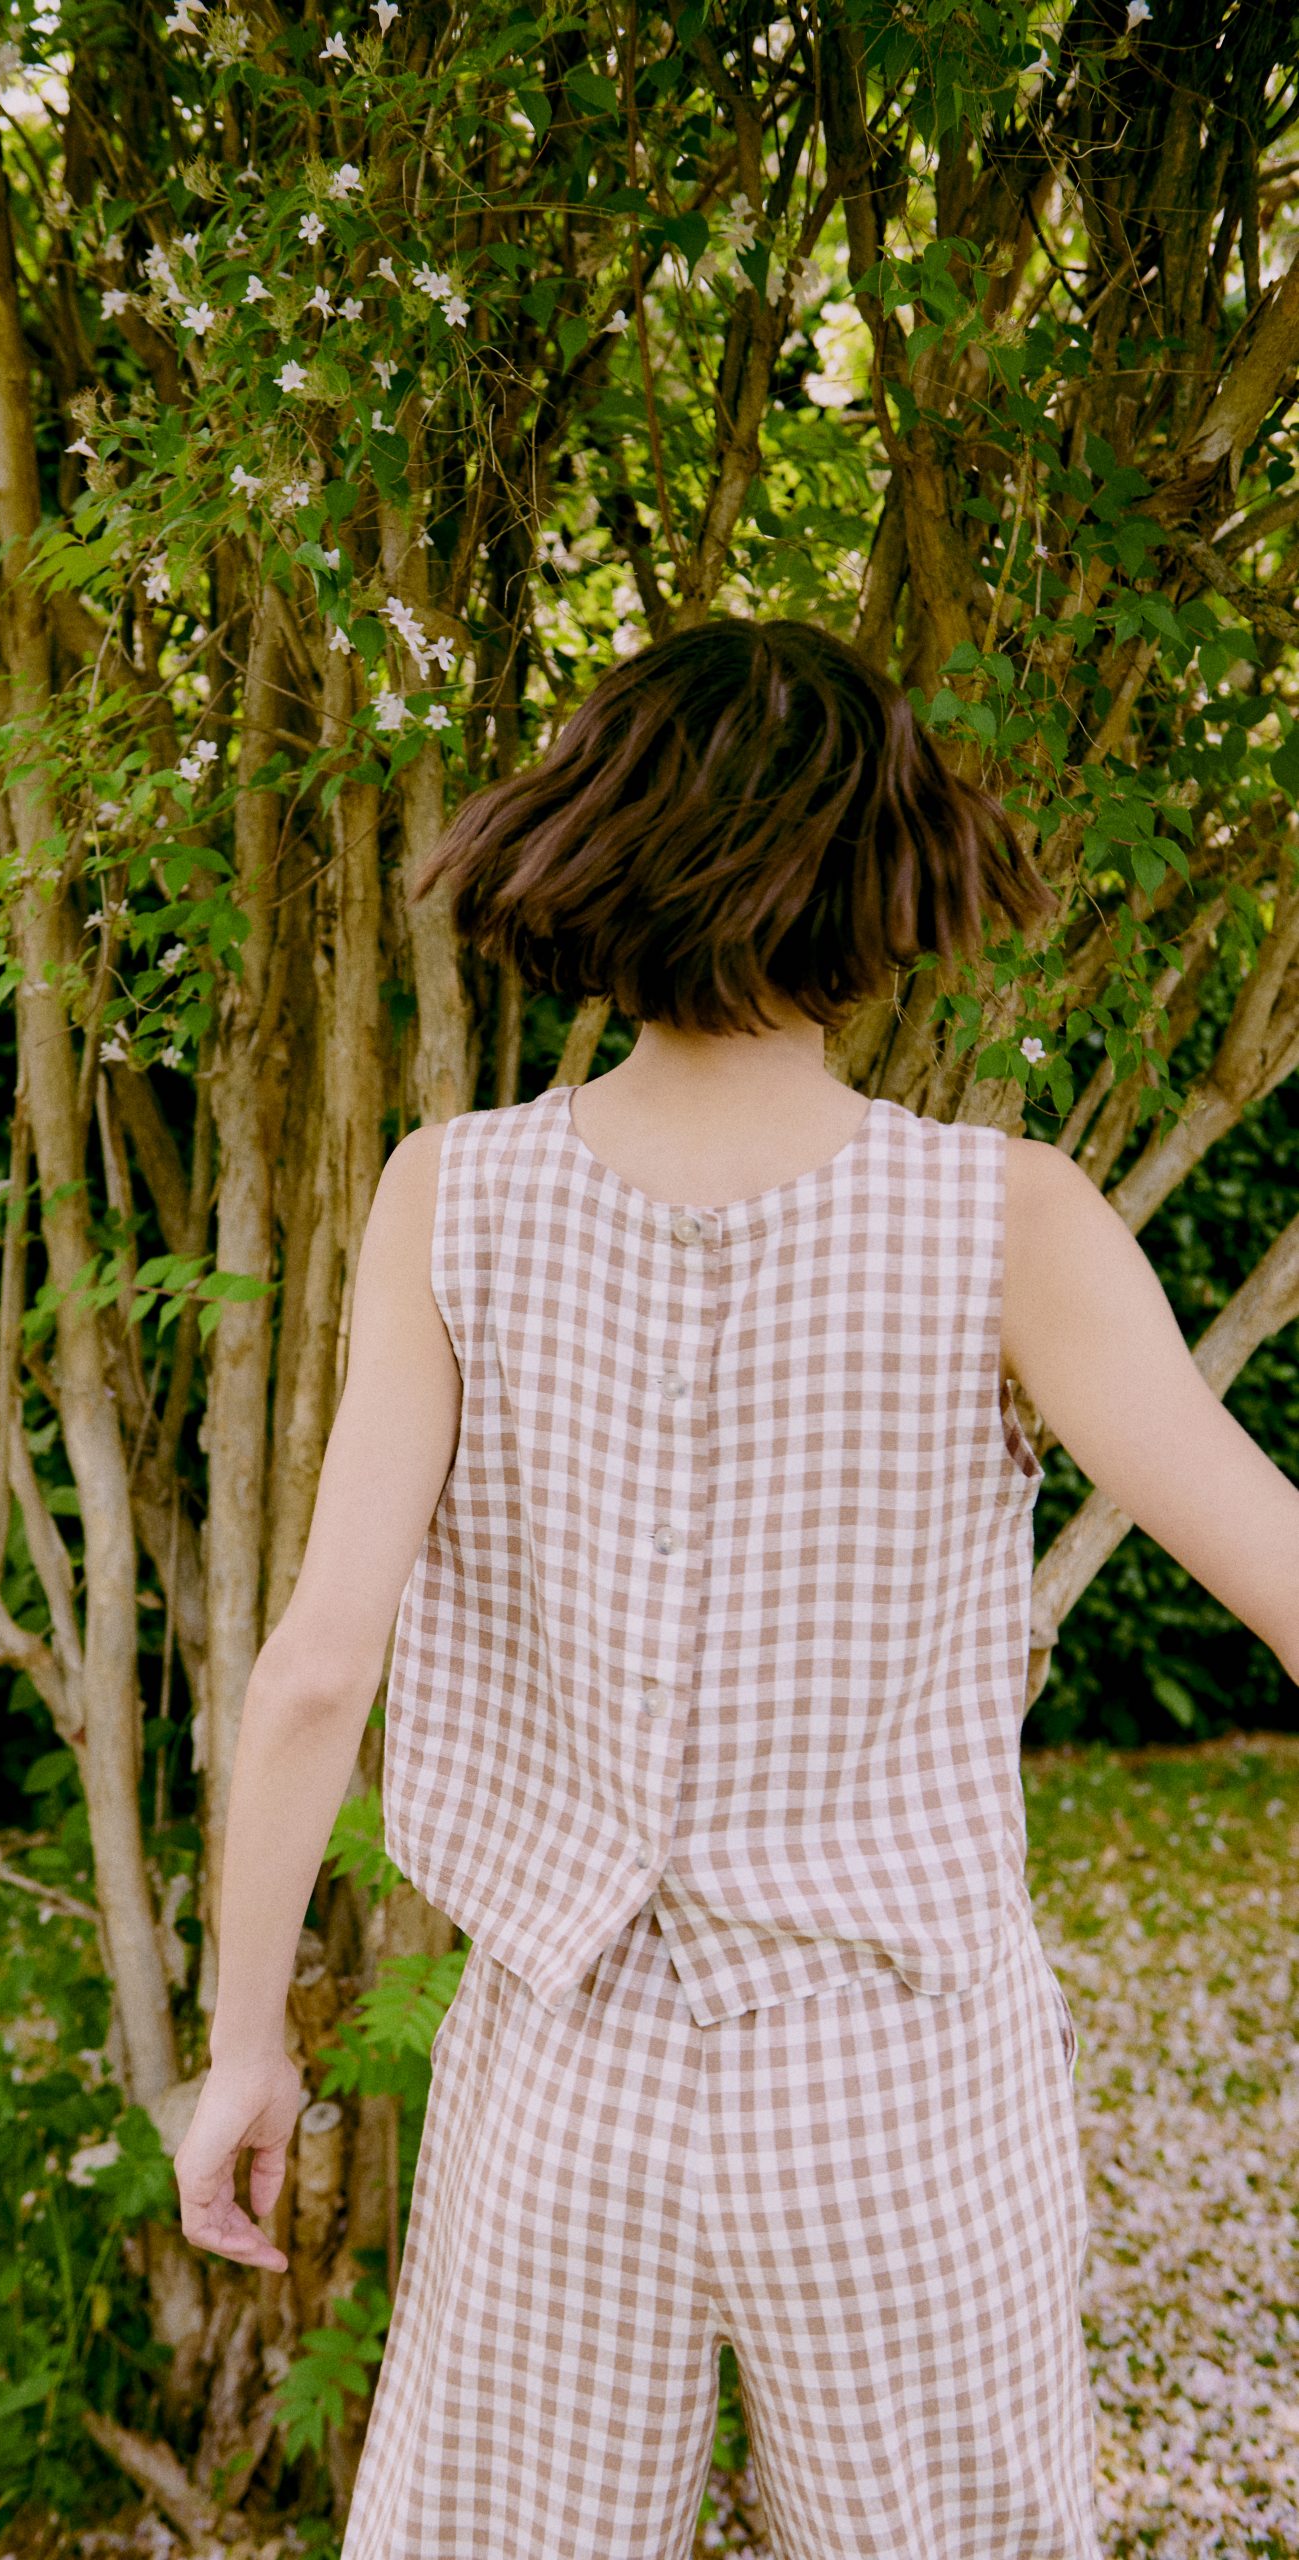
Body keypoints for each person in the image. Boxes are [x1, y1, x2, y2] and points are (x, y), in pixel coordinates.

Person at [172, 618, 1299, 2559]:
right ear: (890, 881)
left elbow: (313, 1671)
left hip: (566, 2073)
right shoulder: (1003, 1218)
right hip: (903, 2087)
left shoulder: (454, 1195)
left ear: (585, 855)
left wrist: (246, 2046)